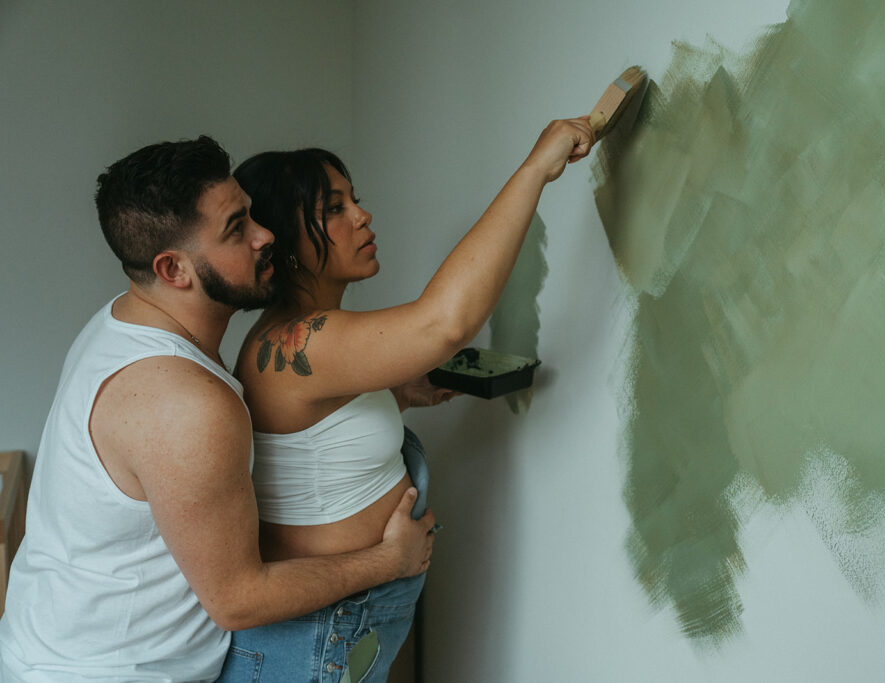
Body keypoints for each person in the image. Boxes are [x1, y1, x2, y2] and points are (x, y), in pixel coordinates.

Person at [0, 136, 435, 683]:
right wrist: (390, 561)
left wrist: (385, 395)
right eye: (236, 229)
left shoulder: (123, 322)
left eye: (249, 213)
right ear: (174, 269)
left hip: (48, 646)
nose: (265, 235)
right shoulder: (184, 403)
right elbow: (239, 601)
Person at [221, 116, 595, 681]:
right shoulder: (298, 341)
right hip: (317, 639)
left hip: (338, 631)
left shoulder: (305, 338)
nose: (362, 216)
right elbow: (444, 324)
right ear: (284, 240)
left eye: (355, 200)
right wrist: (536, 169)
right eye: (334, 209)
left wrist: (392, 397)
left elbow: (311, 451)